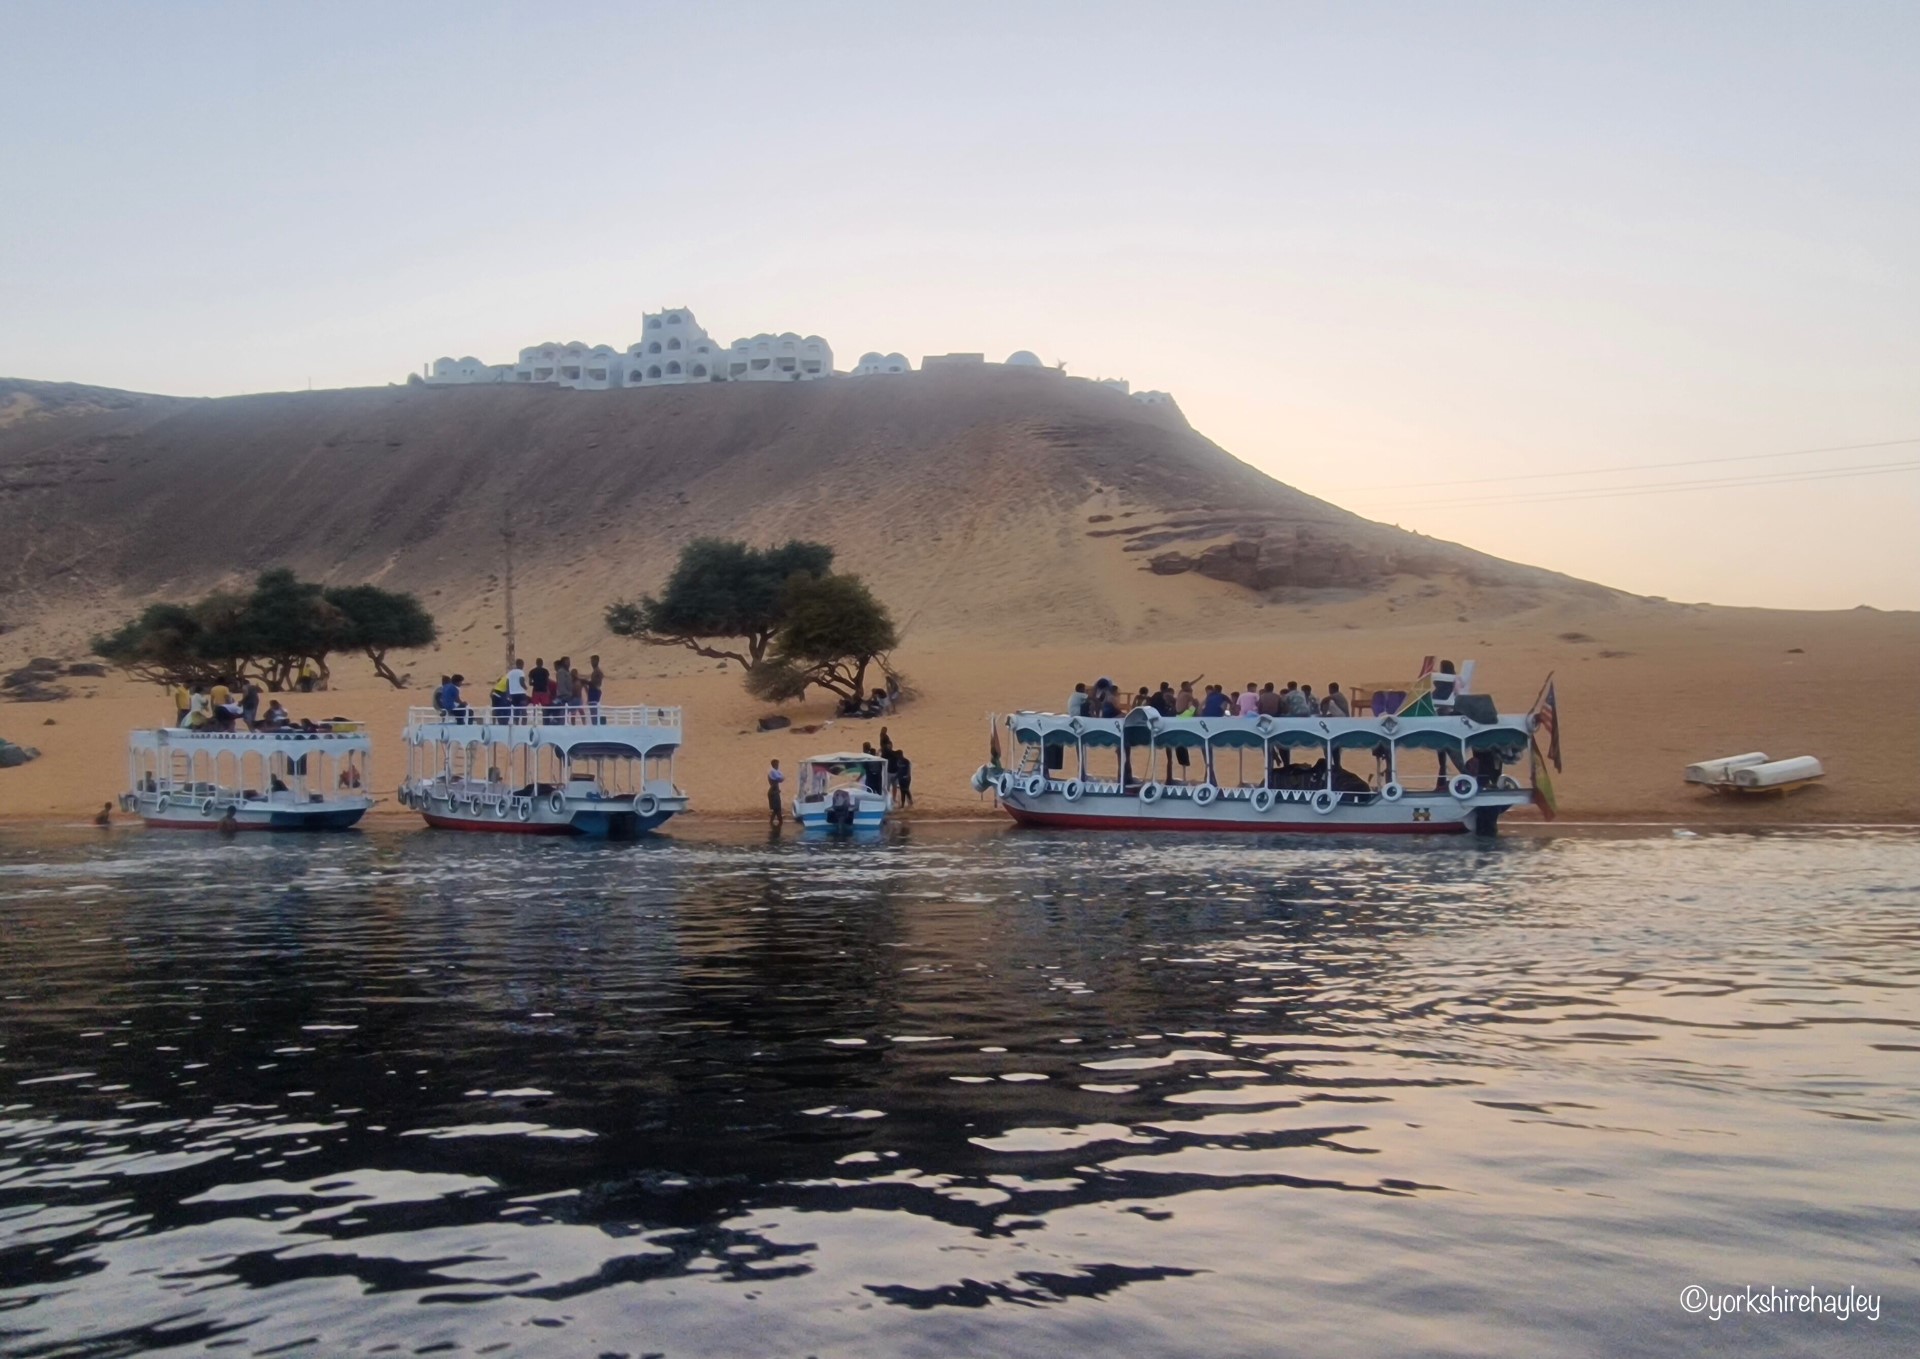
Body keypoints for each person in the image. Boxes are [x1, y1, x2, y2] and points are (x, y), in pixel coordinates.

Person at [766, 759, 785, 826]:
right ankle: (779, 823)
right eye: (777, 764)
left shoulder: (774, 771)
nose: (778, 765)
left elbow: (781, 778)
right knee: (777, 809)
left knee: (776, 810)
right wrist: (782, 776)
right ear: (774, 764)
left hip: (774, 792)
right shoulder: (773, 771)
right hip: (774, 793)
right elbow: (781, 778)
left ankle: (775, 824)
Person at [586, 655, 604, 722]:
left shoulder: (597, 671)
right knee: (593, 710)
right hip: (593, 691)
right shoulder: (595, 671)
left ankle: (596, 725)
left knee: (594, 710)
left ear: (597, 661)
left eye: (593, 661)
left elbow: (596, 683)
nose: (592, 663)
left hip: (594, 692)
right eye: (591, 661)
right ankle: (596, 723)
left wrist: (586, 682)